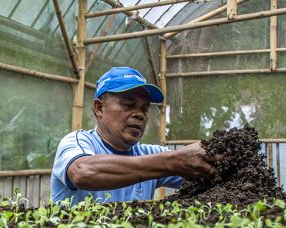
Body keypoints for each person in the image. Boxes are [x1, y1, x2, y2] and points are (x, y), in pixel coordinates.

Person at [51, 66, 215, 204]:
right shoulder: (78, 142)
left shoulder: (147, 154)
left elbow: (202, 172)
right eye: (129, 105)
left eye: (144, 109)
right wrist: (173, 161)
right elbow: (83, 172)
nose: (140, 115)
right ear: (99, 108)